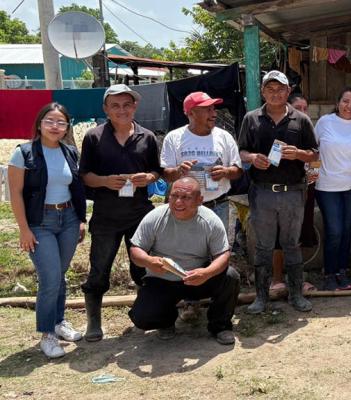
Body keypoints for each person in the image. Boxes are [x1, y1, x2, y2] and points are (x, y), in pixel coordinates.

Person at [79, 84, 162, 342]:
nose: (121, 110)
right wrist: (105, 181)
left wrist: (147, 177)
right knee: (99, 269)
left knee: (143, 269)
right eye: (115, 105)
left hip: (139, 215)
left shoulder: (147, 137)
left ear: (135, 106)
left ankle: (142, 314)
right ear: (106, 109)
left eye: (127, 104)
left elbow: (156, 172)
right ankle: (94, 321)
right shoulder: (94, 137)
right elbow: (85, 176)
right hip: (106, 216)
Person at [7, 103, 87, 358]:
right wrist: (23, 229)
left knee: (60, 275)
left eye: (61, 122)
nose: (55, 126)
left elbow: (77, 189)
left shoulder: (70, 152)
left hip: (69, 219)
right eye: (50, 121)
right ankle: (47, 334)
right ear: (40, 124)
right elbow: (15, 194)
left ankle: (58, 321)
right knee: (50, 277)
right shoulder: (24, 153)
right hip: (40, 222)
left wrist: (82, 220)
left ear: (66, 127)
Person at [238, 70, 317, 314]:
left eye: (280, 89)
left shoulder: (301, 120)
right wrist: (252, 158)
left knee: (291, 244)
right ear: (263, 92)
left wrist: (299, 154)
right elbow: (240, 152)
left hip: (293, 192)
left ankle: (296, 295)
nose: (275, 93)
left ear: (287, 91)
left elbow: (315, 154)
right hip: (262, 193)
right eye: (270, 89)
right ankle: (261, 297)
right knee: (263, 246)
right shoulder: (251, 119)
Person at [160, 91, 243, 321]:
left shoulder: (224, 137)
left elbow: (237, 170)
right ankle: (190, 302)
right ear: (191, 113)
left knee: (220, 254)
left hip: (218, 204)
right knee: (188, 254)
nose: (213, 113)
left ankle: (221, 306)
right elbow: (165, 173)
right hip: (186, 210)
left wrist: (226, 172)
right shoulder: (175, 138)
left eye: (213, 109)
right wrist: (177, 172)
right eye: (207, 109)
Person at [128, 177, 239, 345]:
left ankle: (220, 326)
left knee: (230, 276)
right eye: (174, 196)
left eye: (186, 197)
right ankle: (166, 321)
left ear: (200, 200)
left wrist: (206, 273)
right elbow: (135, 250)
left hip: (197, 278)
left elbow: (223, 255)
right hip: (162, 280)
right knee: (142, 318)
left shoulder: (210, 220)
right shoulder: (155, 217)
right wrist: (149, 261)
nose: (178, 202)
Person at [315, 87, 351, 290]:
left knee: (346, 231)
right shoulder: (324, 122)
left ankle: (341, 272)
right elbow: (312, 150)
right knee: (334, 230)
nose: (349, 106)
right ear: (338, 103)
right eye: (346, 101)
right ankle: (329, 273)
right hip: (326, 186)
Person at [271, 92, 319, 294]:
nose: (303, 112)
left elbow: (315, 161)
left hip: (304, 192)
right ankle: (277, 280)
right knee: (279, 237)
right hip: (280, 193)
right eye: (298, 108)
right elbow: (272, 163)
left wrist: (312, 174)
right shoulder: (279, 132)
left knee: (297, 236)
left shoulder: (309, 132)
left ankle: (296, 279)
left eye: (305, 108)